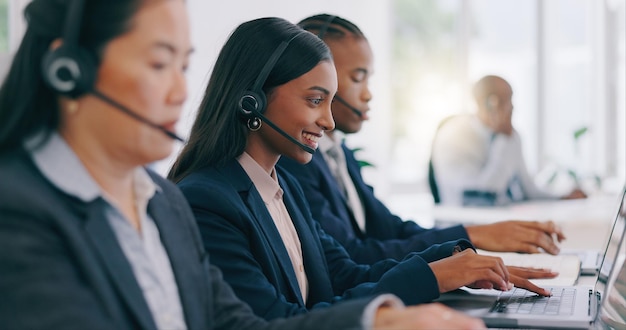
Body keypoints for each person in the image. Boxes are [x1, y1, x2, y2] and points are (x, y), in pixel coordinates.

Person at [0, 1, 486, 329]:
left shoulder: (160, 203)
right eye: (158, 64)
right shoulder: (18, 215)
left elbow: (242, 325)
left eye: (183, 66)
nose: (179, 92)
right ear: (69, 70)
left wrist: (381, 316)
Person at [168, 16, 551, 322]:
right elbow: (274, 320)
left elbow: (342, 274)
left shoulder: (281, 187)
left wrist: (454, 260)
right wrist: (432, 277)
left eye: (330, 101)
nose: (328, 121)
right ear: (251, 100)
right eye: (315, 100)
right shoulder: (208, 200)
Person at [277, 15, 568, 268]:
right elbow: (349, 257)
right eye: (357, 78)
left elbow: (390, 229)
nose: (368, 95)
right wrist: (469, 239)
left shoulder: (339, 154)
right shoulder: (295, 161)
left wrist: (466, 239)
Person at [431, 74, 587, 206]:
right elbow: (487, 193)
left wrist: (561, 197)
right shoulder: (454, 135)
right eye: (506, 100)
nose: (512, 107)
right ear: (489, 102)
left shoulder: (512, 136)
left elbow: (528, 189)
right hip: (463, 226)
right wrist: (503, 140)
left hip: (501, 220)